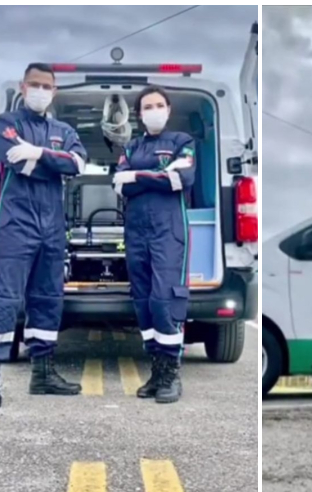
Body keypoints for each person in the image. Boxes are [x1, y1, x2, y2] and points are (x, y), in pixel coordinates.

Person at [0, 63, 87, 409]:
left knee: (48, 298)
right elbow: (11, 159)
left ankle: (43, 375)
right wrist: (54, 163)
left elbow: (78, 164)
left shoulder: (63, 129)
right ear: (23, 88)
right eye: (34, 84)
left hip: (52, 226)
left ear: (54, 92)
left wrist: (37, 154)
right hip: (15, 223)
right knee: (3, 299)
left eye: (47, 86)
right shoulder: (5, 124)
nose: (40, 90)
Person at [112, 85, 197, 404]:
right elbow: (119, 184)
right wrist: (158, 175)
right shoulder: (131, 146)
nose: (155, 110)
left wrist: (137, 177)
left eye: (160, 104)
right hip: (136, 234)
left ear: (169, 109)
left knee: (164, 300)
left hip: (169, 232)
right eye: (148, 106)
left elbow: (182, 180)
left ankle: (172, 373)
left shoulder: (182, 143)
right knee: (144, 302)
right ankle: (157, 372)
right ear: (139, 114)